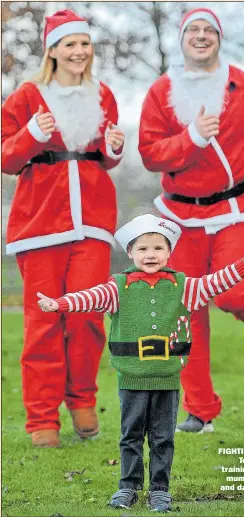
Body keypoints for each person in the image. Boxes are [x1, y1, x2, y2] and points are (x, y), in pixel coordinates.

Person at [37, 213, 244, 511]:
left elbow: (214, 283)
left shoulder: (183, 287)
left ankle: (160, 489)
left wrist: (243, 265)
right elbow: (89, 297)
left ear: (169, 252)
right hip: (131, 378)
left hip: (167, 379)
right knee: (130, 436)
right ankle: (127, 487)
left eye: (158, 248)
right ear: (130, 252)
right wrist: (59, 304)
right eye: (142, 249)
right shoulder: (118, 288)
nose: (151, 255)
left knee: (163, 437)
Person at [138, 7, 244, 434]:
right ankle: (201, 411)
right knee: (185, 309)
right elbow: (150, 154)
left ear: (218, 39)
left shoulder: (243, 84)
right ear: (182, 40)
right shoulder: (160, 91)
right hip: (178, 215)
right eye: (193, 31)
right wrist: (193, 137)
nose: (201, 36)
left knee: (234, 290)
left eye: (209, 31)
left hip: (231, 208)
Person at [1, 9, 125, 448]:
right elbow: (6, 158)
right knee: (43, 323)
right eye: (69, 44)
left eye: (84, 44)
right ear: (51, 50)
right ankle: (41, 419)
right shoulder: (27, 96)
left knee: (88, 315)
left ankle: (81, 399)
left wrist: (114, 149)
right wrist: (33, 133)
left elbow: (104, 155)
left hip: (92, 221)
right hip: (40, 224)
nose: (78, 51)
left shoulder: (103, 94)